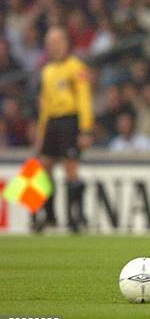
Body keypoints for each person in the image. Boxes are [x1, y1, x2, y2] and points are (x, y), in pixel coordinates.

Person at [35, 26, 93, 232]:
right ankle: (48, 214)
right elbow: (44, 105)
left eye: (57, 41)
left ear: (66, 43)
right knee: (44, 167)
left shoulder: (75, 67)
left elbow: (84, 99)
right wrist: (41, 133)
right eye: (49, 43)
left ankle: (75, 217)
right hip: (52, 122)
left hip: (70, 121)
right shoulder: (47, 71)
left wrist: (85, 130)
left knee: (70, 169)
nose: (53, 46)